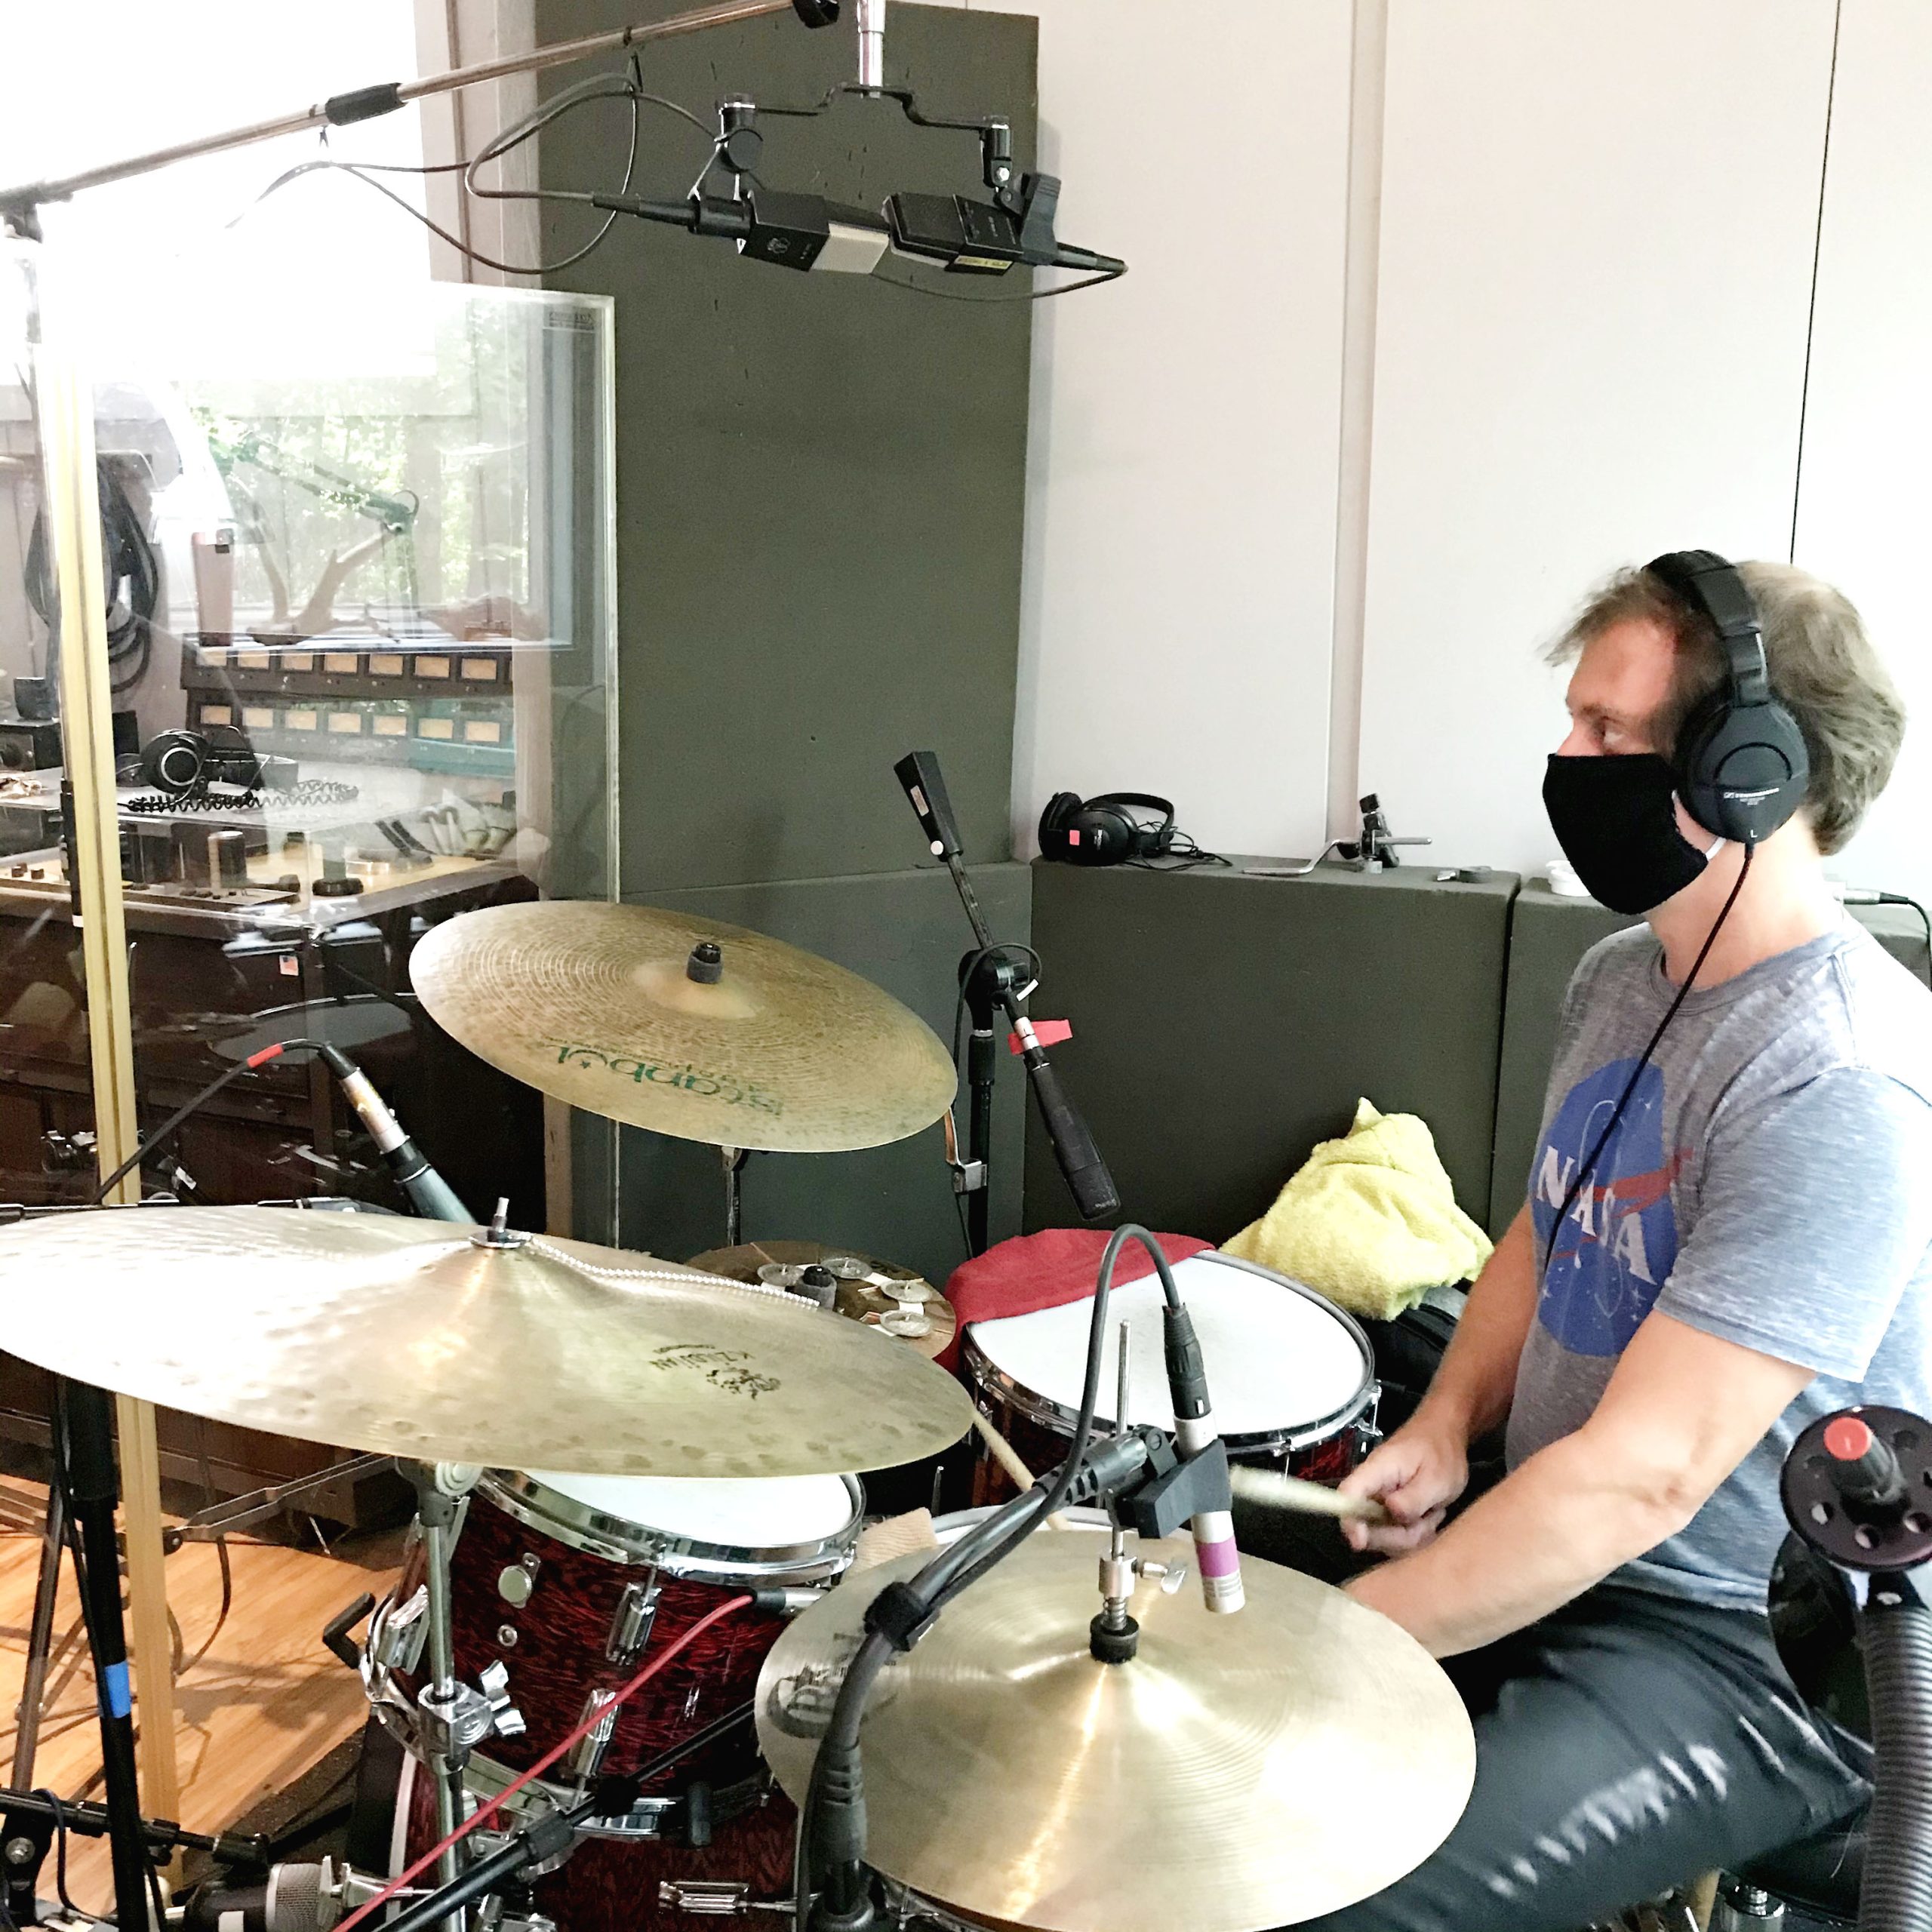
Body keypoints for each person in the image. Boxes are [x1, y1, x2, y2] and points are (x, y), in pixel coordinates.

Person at [1296, 557, 1932, 1932]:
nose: (1563, 759)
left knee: (1328, 1892)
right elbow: (1554, 1216)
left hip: (1739, 1647)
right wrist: (1455, 1421)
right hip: (1559, 1534)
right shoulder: (1625, 973)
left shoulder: (1838, 1078)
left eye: (1608, 733)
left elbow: (1648, 1482)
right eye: (1572, 722)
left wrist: (1348, 1645)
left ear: (1752, 767)